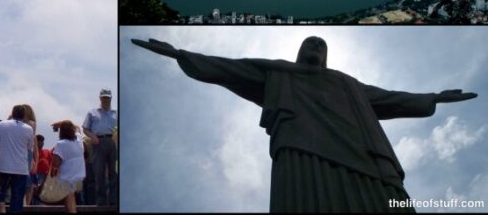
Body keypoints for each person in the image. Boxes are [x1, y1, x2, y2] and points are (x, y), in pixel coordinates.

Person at [133, 36, 478, 212]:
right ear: (299, 51)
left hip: (364, 156)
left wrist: (433, 97)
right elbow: (229, 67)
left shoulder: (348, 84)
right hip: (301, 148)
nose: (315, 45)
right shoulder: (277, 71)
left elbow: (390, 98)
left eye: (321, 43)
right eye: (309, 42)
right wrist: (180, 53)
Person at [0, 104, 34, 213]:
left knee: (1, 190)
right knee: (17, 197)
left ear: (13, 113)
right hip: (20, 167)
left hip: (3, 165)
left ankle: (1, 206)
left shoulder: (2, 124)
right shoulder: (29, 129)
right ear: (24, 115)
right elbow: (29, 148)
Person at [82, 89, 117, 205]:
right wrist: (93, 137)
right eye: (104, 97)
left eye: (107, 97)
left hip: (113, 143)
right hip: (98, 142)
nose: (106, 99)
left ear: (111, 98)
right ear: (100, 98)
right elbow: (85, 128)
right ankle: (101, 201)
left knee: (114, 172)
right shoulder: (92, 113)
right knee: (99, 172)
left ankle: (113, 201)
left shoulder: (117, 113)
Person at [50, 121, 86, 214]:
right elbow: (77, 127)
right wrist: (61, 123)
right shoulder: (78, 140)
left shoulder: (61, 144)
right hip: (79, 175)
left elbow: (55, 163)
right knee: (69, 199)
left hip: (67, 176)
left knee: (70, 199)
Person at [20, 104, 39, 206]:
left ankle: (26, 203)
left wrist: (35, 162)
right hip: (25, 153)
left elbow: (34, 148)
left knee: (29, 182)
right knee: (27, 182)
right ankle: (25, 203)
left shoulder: (31, 124)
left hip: (27, 153)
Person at [33, 134, 52, 204]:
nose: (41, 143)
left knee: (44, 189)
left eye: (42, 141)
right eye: (39, 141)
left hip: (46, 175)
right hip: (37, 174)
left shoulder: (47, 151)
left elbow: (51, 163)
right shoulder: (33, 152)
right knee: (36, 189)